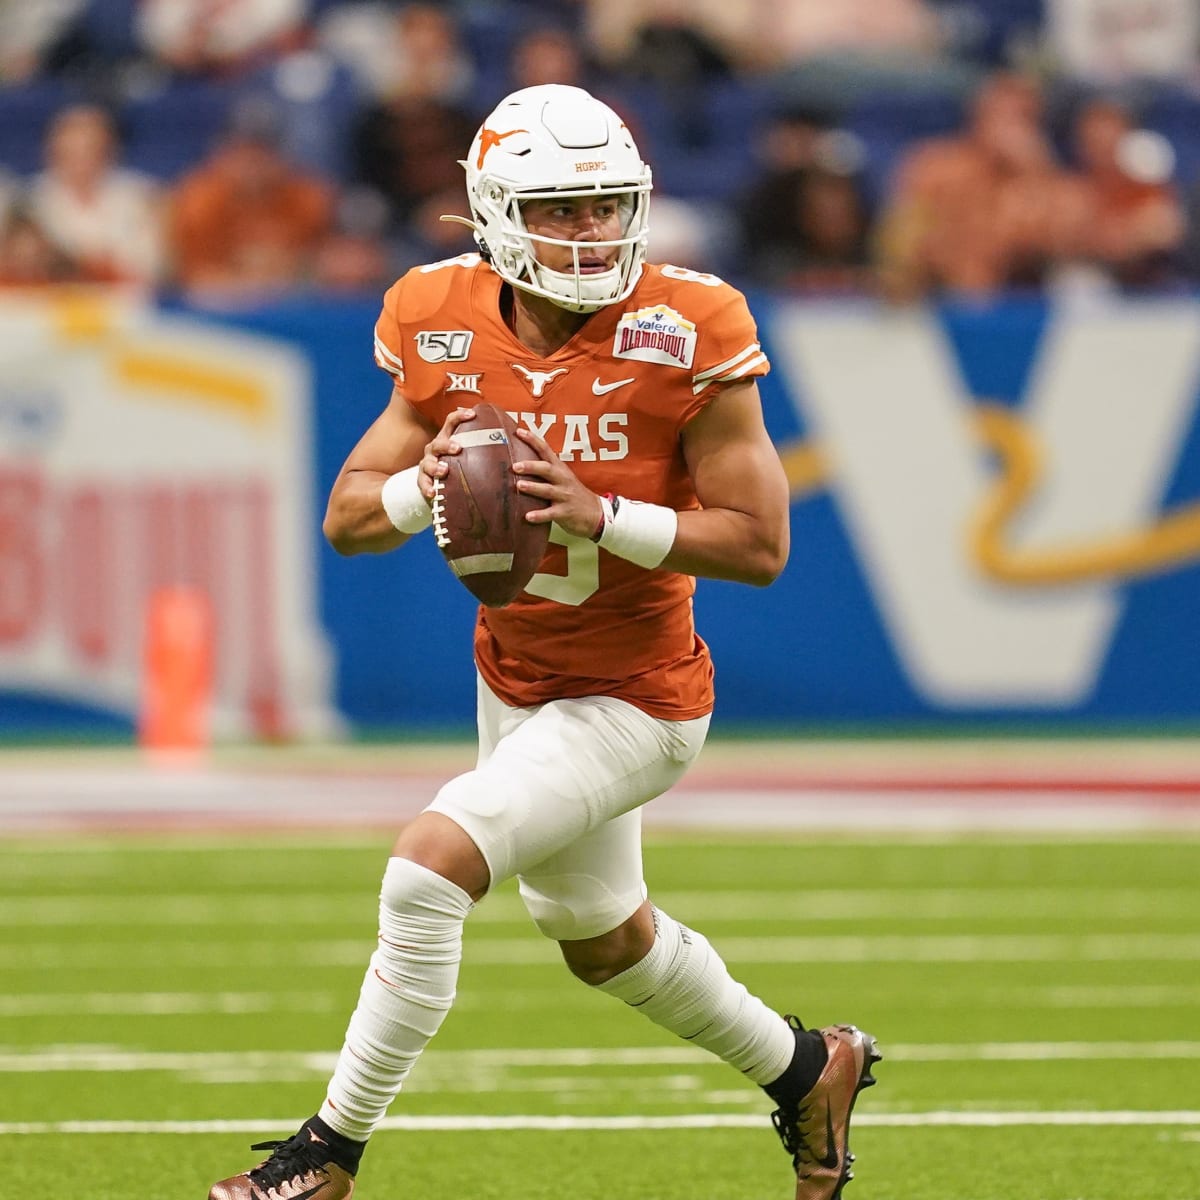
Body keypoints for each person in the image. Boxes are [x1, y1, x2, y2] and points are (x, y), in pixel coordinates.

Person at [207, 83, 881, 1200]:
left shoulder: (692, 326)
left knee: (427, 872)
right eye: (563, 211)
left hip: (640, 695)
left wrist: (600, 512)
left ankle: (327, 1153)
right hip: (517, 680)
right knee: (601, 941)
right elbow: (346, 520)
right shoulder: (437, 311)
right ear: (495, 211)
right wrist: (426, 490)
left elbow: (761, 546)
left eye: (609, 207)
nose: (592, 233)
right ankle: (811, 1068)